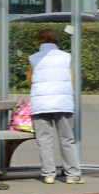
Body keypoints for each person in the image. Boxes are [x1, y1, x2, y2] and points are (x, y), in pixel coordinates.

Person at [28, 28, 82, 185]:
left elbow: (30, 81)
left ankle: (49, 175)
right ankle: (72, 175)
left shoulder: (34, 58)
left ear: (39, 41)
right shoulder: (66, 57)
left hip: (41, 104)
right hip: (62, 103)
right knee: (67, 139)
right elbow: (71, 79)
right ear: (56, 41)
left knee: (44, 140)